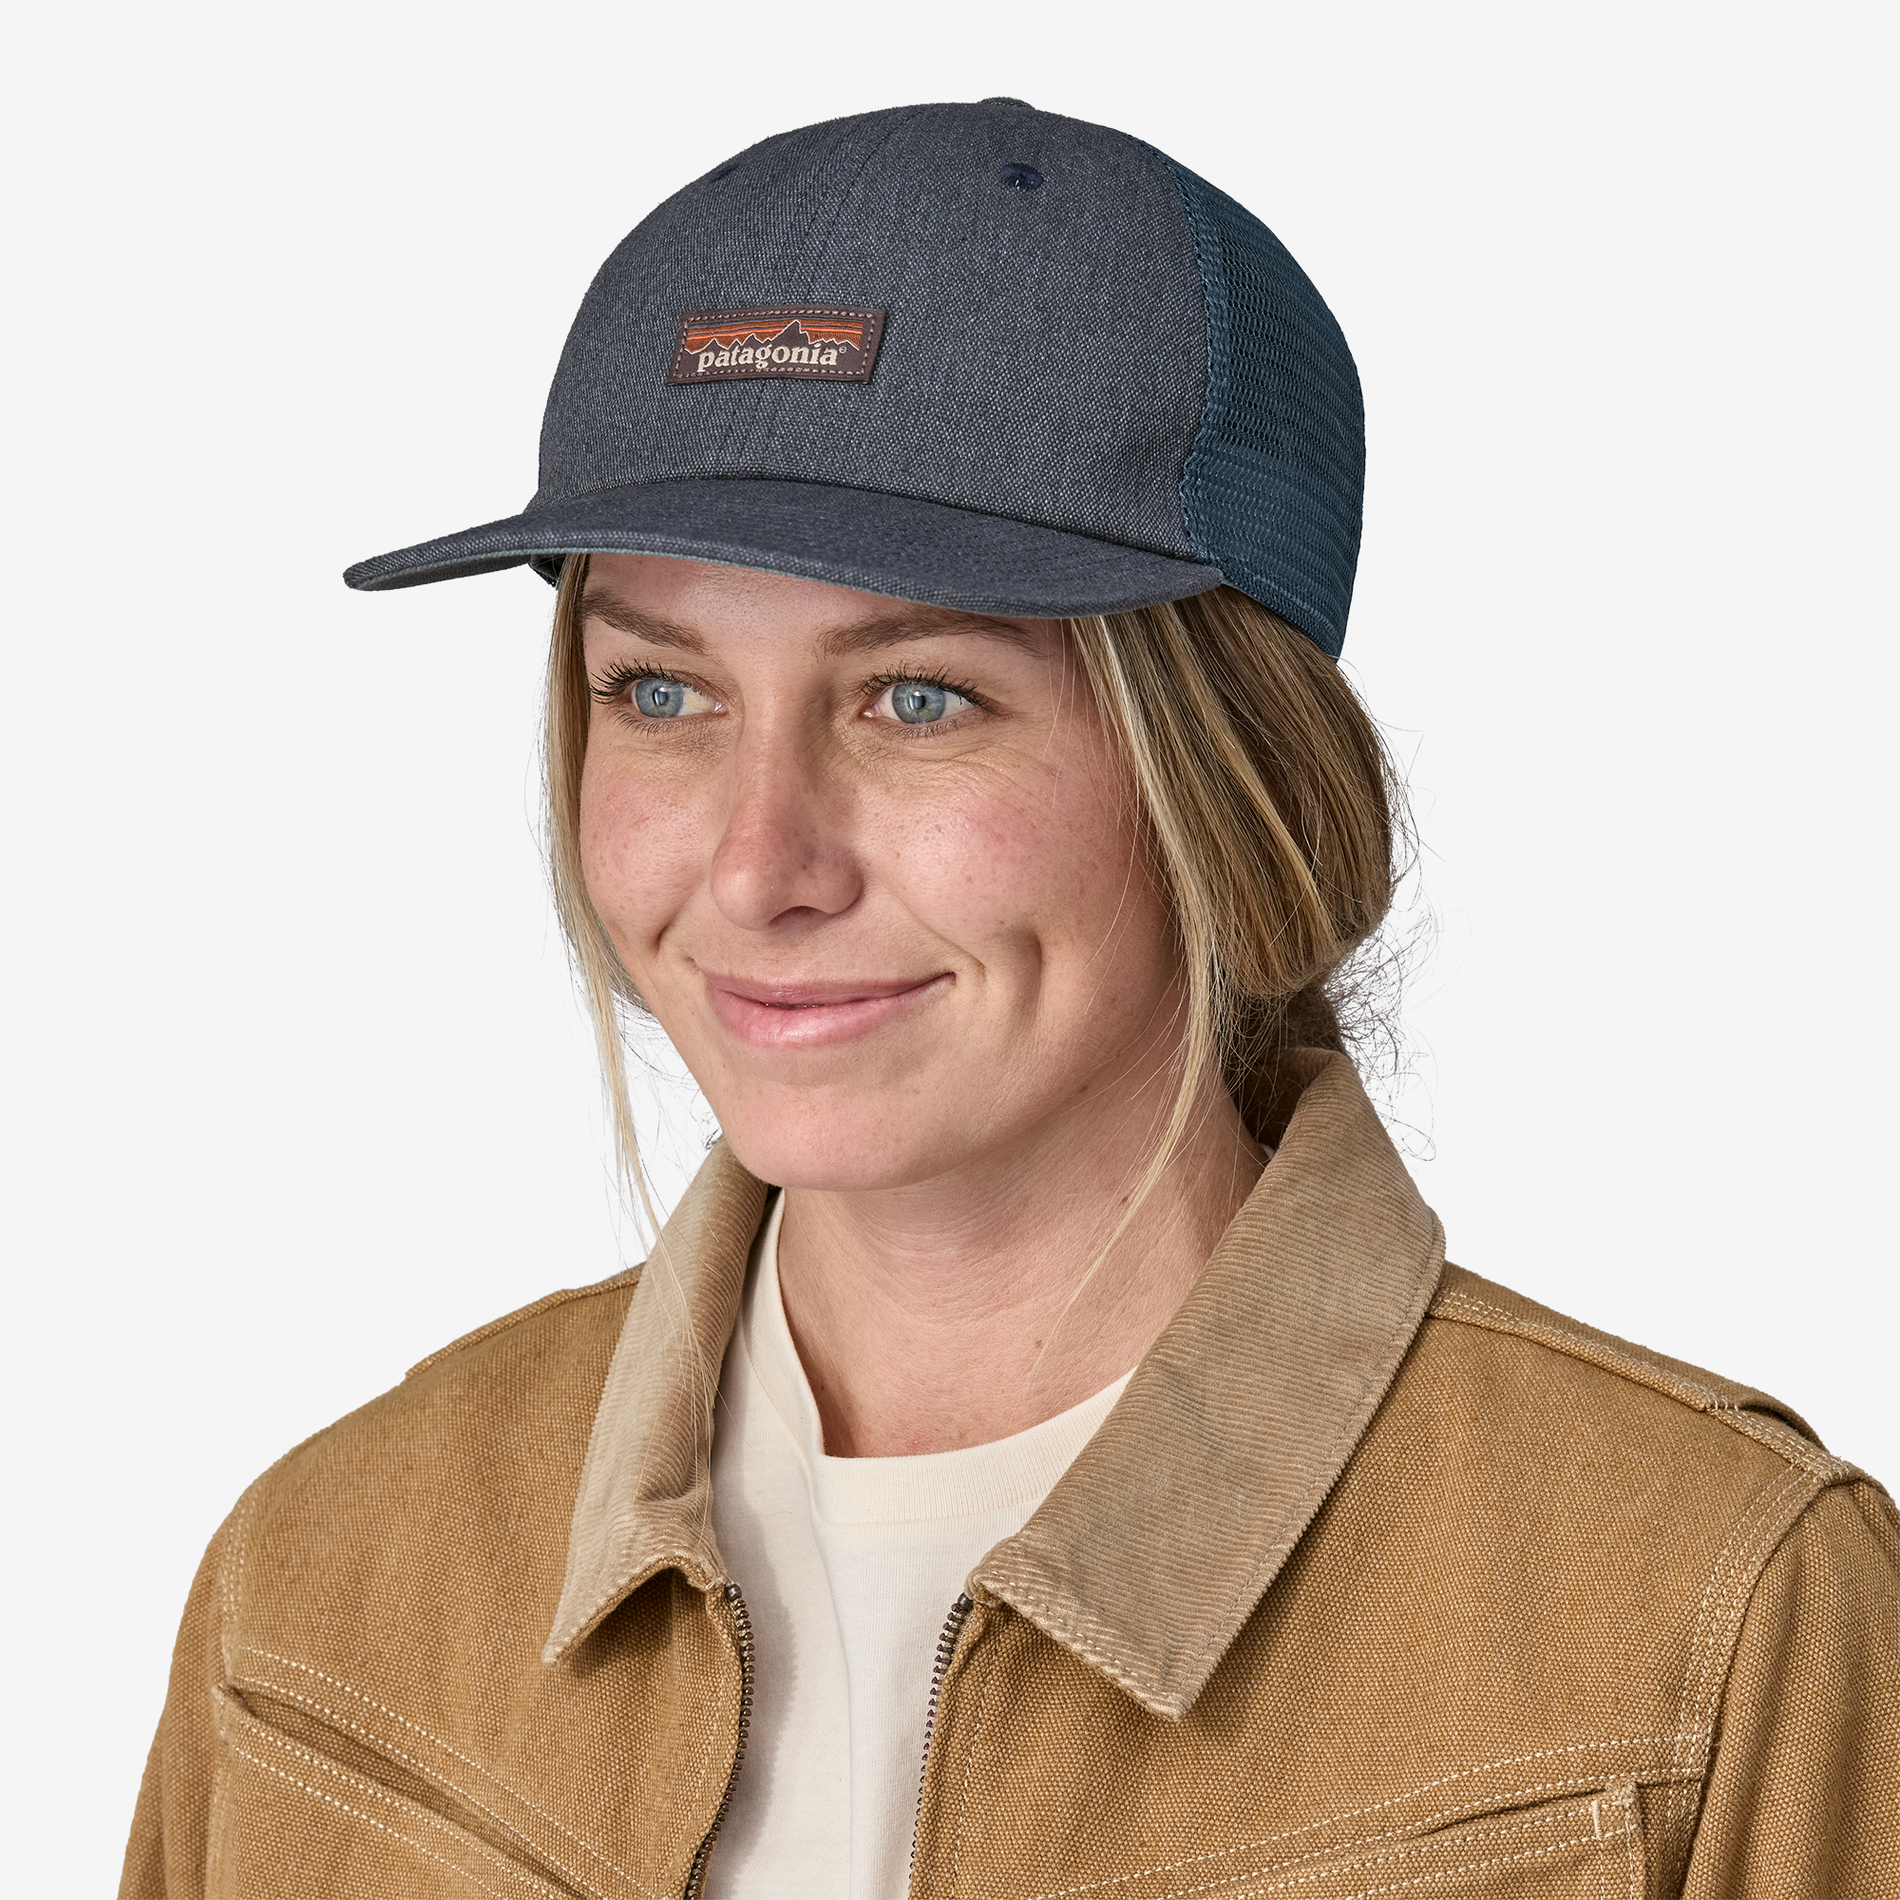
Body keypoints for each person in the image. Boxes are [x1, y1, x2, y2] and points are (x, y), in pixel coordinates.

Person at [122, 98, 1897, 1900]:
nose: (757, 866)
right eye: (660, 694)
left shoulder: (1709, 1635)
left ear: (1238, 776)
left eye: (919, 699)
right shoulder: (320, 1607)